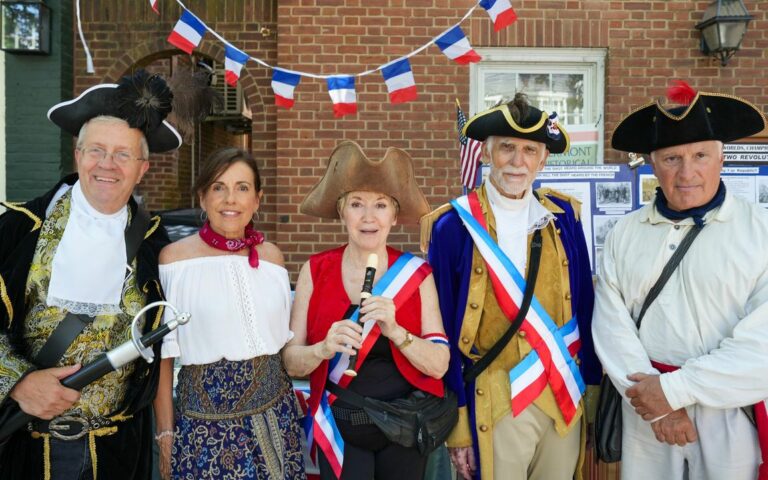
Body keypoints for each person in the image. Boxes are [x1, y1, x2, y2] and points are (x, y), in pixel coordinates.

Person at [0, 70, 180, 479]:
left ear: (142, 168)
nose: (107, 165)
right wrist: (17, 382)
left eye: (123, 154)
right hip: (25, 449)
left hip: (120, 452)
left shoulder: (155, 243)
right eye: (96, 150)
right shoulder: (18, 229)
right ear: (78, 154)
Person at [592, 81, 768, 480]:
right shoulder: (625, 233)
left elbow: (763, 346)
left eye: (701, 155)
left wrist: (675, 392)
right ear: (654, 164)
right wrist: (660, 405)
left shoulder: (761, 231)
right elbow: (611, 326)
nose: (687, 172)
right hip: (645, 407)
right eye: (672, 158)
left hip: (729, 411)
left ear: (721, 159)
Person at [422, 94, 601, 480]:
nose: (518, 161)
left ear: (543, 159)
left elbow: (584, 308)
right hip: (493, 399)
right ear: (487, 152)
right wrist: (458, 427)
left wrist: (593, 393)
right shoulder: (452, 226)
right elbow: (444, 331)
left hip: (561, 394)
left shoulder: (564, 217)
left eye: (529, 150)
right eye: (507, 148)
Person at [282, 140, 450, 480]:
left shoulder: (417, 276)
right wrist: (323, 348)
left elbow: (439, 365)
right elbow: (291, 361)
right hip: (341, 426)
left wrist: (397, 333)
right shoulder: (315, 270)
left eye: (381, 205)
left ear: (394, 214)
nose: (369, 217)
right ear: (342, 212)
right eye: (357, 204)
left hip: (403, 426)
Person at [153, 147, 305, 480]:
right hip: (202, 428)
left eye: (242, 188)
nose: (230, 199)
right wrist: (165, 433)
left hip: (275, 420)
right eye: (219, 187)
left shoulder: (272, 260)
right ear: (203, 197)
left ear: (258, 199)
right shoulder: (174, 261)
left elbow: (283, 347)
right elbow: (163, 357)